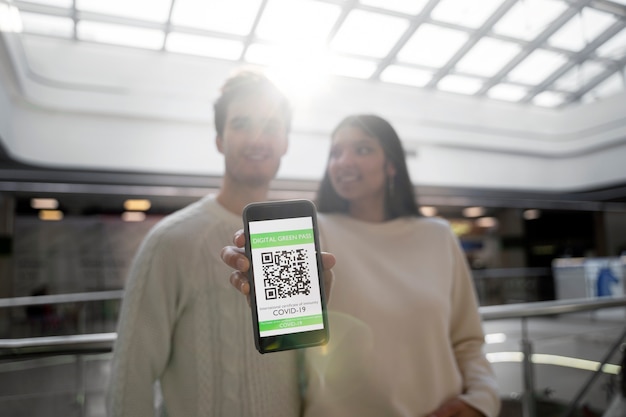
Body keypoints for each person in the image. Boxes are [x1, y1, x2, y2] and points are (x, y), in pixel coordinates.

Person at [222, 114, 501, 417]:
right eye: (335, 152)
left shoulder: (437, 236)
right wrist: (268, 296)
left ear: (391, 164)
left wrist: (480, 402)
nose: (344, 162)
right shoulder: (314, 234)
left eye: (363, 149)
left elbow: (468, 341)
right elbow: (289, 349)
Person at [106, 69, 334, 417]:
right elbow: (129, 380)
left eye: (270, 126)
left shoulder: (295, 238)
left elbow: (308, 368)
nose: (257, 138)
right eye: (241, 124)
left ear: (285, 141)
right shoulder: (171, 240)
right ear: (219, 140)